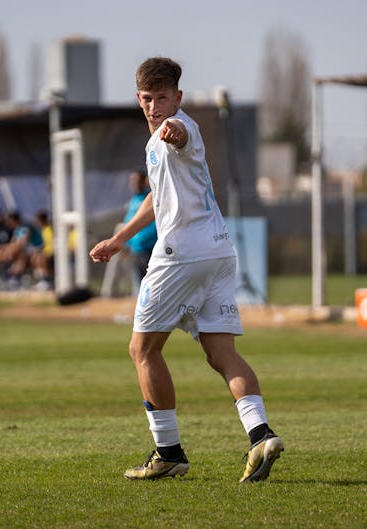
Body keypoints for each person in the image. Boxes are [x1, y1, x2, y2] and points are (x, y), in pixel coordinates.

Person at [90, 57, 282, 482]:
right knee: (221, 353)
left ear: (177, 97)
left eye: (163, 98)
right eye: (147, 99)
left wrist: (173, 129)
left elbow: (179, 137)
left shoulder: (180, 129)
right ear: (137, 99)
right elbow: (158, 200)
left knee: (143, 350)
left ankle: (169, 451)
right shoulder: (155, 145)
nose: (156, 107)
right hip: (217, 252)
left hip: (181, 255)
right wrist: (121, 238)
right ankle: (261, 435)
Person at [124, 170, 158, 292]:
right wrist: (127, 243)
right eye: (132, 181)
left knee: (153, 286)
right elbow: (128, 221)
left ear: (145, 181)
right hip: (136, 251)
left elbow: (156, 224)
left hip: (150, 249)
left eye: (137, 180)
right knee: (140, 286)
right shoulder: (133, 201)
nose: (134, 183)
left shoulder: (151, 198)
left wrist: (143, 240)